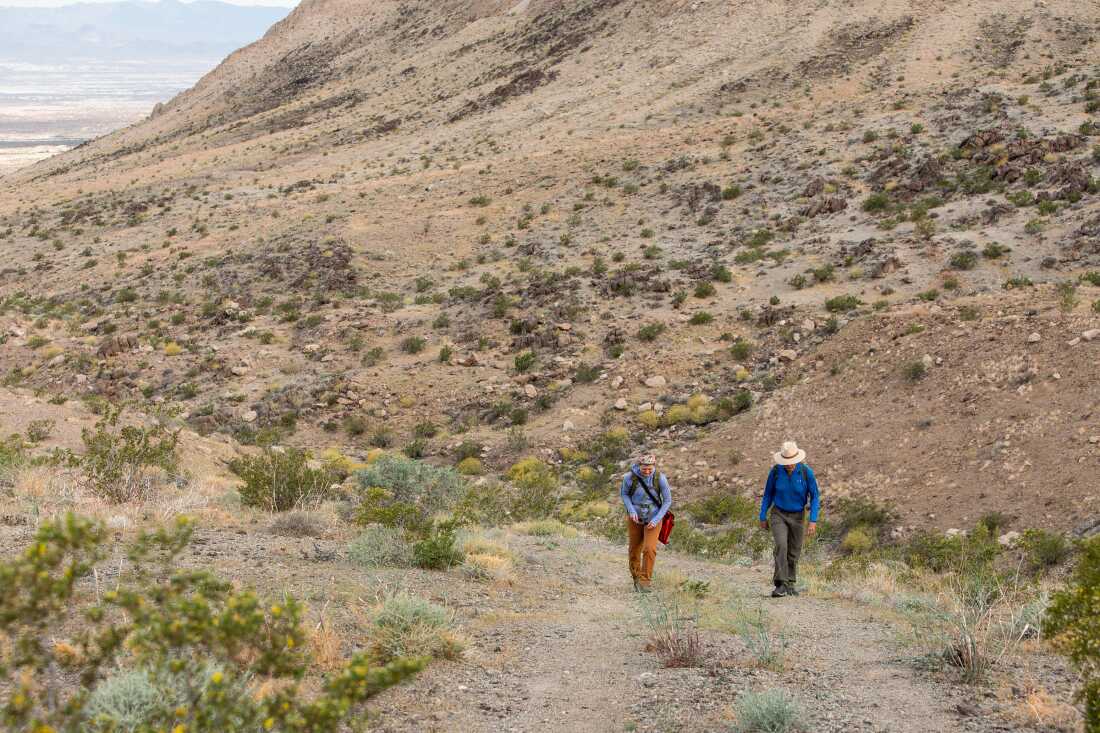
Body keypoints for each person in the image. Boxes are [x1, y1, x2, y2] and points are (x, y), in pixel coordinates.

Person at [758, 441, 820, 598]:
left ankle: (790, 583)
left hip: (798, 516)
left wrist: (813, 520)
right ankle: (780, 584)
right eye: (786, 462)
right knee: (781, 545)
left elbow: (815, 497)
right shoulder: (776, 471)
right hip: (778, 514)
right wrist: (762, 515)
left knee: (794, 550)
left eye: (792, 461)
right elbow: (768, 494)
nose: (789, 465)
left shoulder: (806, 472)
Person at [619, 453, 672, 593]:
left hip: (654, 518)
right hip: (635, 518)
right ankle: (636, 578)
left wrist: (656, 520)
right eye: (644, 469)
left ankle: (645, 582)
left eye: (650, 469)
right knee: (634, 549)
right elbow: (624, 494)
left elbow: (667, 501)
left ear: (654, 466)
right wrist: (631, 510)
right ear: (639, 466)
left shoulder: (660, 478)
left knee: (649, 549)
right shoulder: (630, 477)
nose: (647, 472)